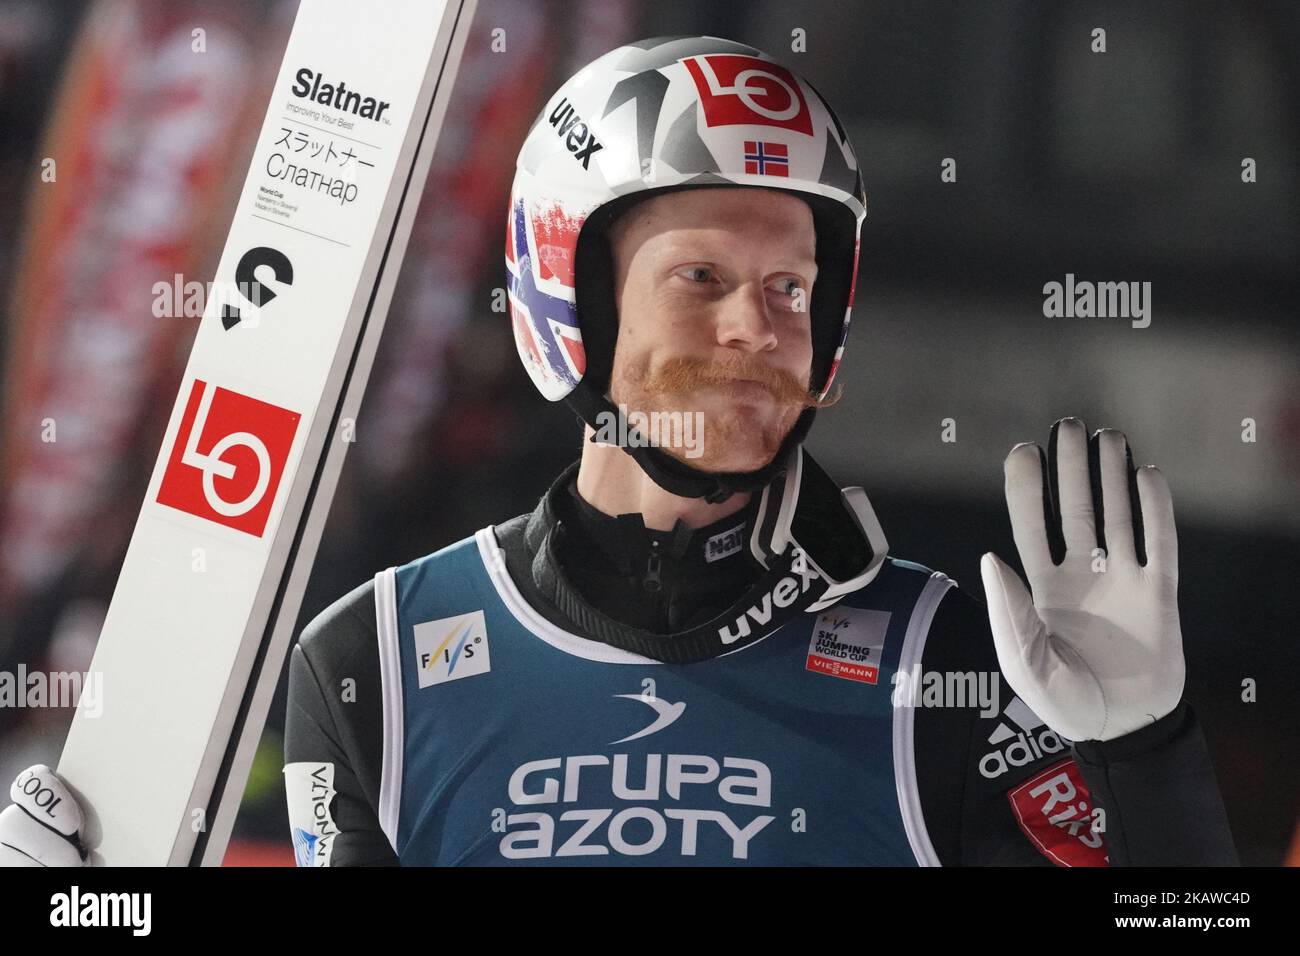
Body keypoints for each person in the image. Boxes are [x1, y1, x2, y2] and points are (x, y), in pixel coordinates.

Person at [0, 36, 1236, 867]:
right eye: (701, 277)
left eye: (793, 287)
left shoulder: (959, 663)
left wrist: (1149, 752)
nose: (759, 325)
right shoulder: (374, 659)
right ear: (567, 296)